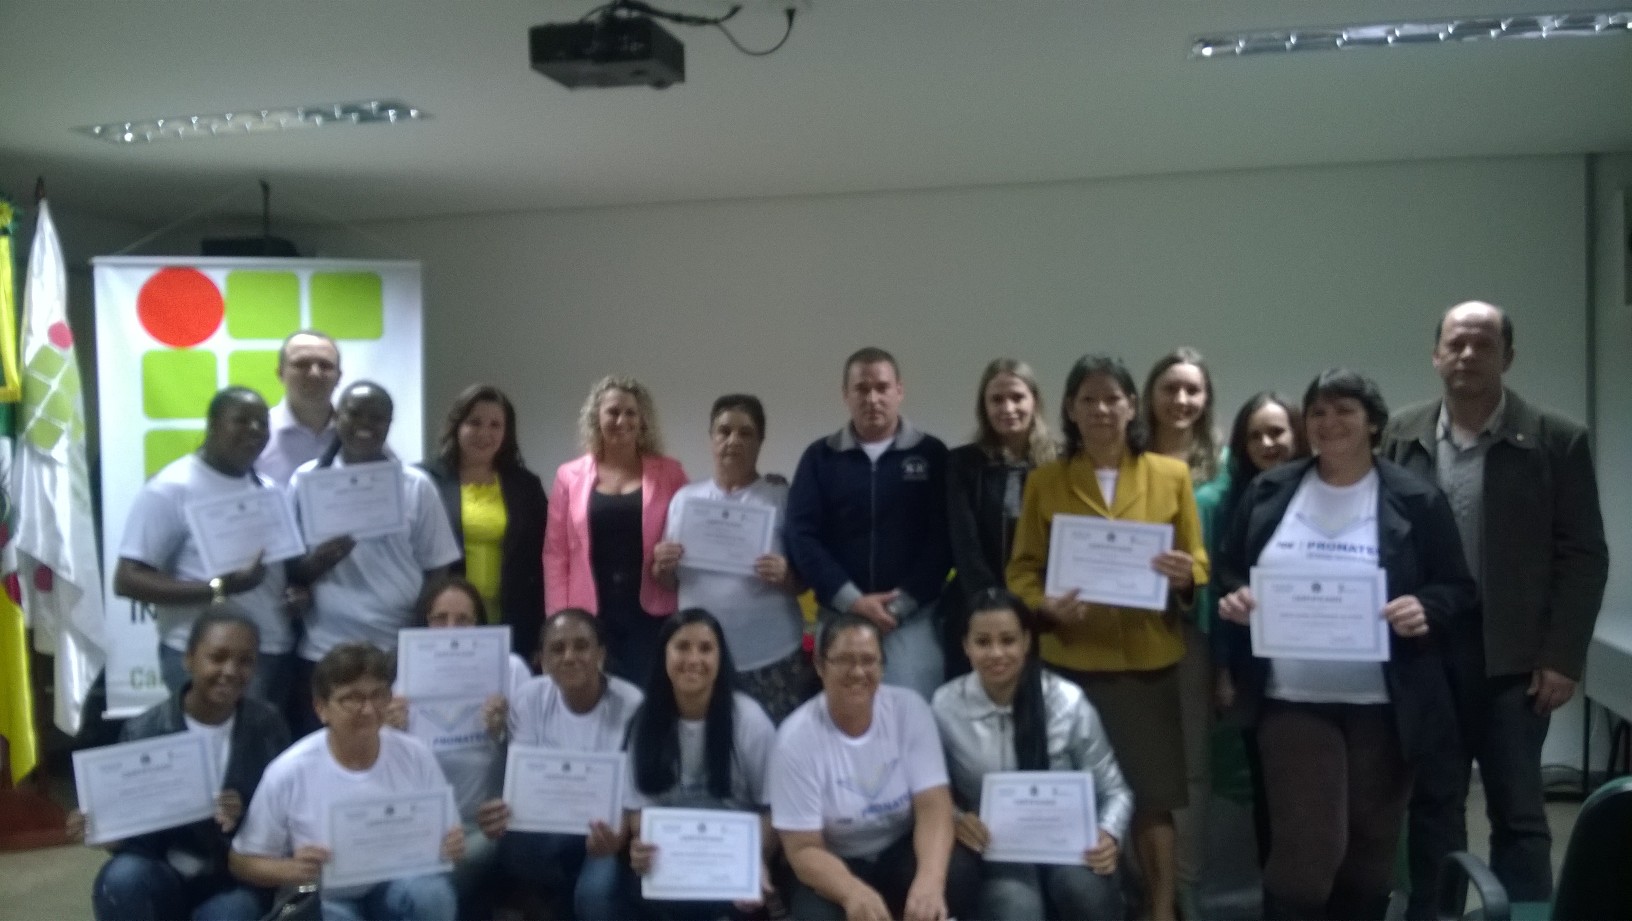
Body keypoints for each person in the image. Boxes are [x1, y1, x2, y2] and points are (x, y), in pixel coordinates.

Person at [1214, 368, 1476, 921]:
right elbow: (1229, 570)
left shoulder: (1416, 498)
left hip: (1387, 703)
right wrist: (1237, 598)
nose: (1329, 422)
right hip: (1292, 697)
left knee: (1370, 853)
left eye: (1344, 411)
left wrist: (1425, 607)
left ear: (1373, 423)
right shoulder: (1271, 490)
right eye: (1318, 412)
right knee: (1310, 851)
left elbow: (1456, 588)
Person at [1381, 301, 1609, 916]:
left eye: (1483, 344)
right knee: (1433, 804)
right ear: (1436, 355)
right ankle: (1437, 913)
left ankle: (1528, 913)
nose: (1467, 355)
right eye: (1455, 344)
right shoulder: (1400, 434)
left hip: (1516, 658)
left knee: (1518, 809)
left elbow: (1584, 555)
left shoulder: (1556, 439)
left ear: (1507, 357)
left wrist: (1562, 657)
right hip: (1427, 654)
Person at [1006, 353, 1208, 921]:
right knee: (1079, 795)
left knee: (1153, 797)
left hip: (1147, 659)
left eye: (1112, 398)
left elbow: (1196, 558)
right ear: (1070, 410)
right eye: (1088, 399)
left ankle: (1161, 908)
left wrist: (1184, 575)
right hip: (1071, 660)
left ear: (1132, 406)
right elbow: (1021, 570)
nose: (1101, 409)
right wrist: (1043, 604)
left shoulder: (1170, 476)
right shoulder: (1046, 481)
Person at [69, 611, 290, 921]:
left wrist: (243, 815)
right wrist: (108, 831)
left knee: (230, 914)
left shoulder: (268, 726)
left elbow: (285, 818)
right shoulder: (145, 729)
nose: (230, 671)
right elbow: (133, 837)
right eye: (217, 657)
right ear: (188, 659)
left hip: (233, 878)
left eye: (245, 661)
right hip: (162, 871)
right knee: (123, 879)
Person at [932, 588, 1132, 921]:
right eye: (983, 642)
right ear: (966, 646)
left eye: (1008, 640)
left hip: (1069, 844)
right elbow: (927, 791)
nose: (996, 653)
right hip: (996, 848)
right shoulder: (945, 705)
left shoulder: (1068, 701)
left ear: (1027, 641)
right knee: (1017, 908)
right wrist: (956, 818)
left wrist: (1108, 833)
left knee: (1082, 892)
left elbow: (1116, 791)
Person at [767, 612, 979, 921]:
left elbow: (934, 806)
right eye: (844, 660)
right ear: (820, 665)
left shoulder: (910, 710)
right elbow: (802, 849)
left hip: (900, 846)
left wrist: (929, 882)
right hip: (834, 857)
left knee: (958, 876)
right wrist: (851, 891)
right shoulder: (794, 739)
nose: (858, 672)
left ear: (882, 666)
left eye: (868, 661)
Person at [229, 643, 463, 921]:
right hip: (323, 894)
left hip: (394, 885)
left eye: (378, 695)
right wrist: (292, 869)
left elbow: (449, 835)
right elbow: (241, 861)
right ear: (321, 708)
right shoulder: (289, 770)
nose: (368, 709)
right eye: (352, 699)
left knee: (432, 895)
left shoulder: (415, 754)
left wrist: (451, 846)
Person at [286, 381, 462, 734]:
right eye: (355, 414)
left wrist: (412, 644)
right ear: (337, 416)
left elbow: (438, 571)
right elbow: (290, 571)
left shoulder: (415, 485)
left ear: (389, 423)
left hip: (393, 649)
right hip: (323, 647)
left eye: (377, 417)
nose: (365, 424)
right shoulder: (307, 480)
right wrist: (319, 563)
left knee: (389, 753)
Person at [787, 347, 952, 701]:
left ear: (899, 390)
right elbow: (803, 537)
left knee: (912, 718)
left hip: (913, 622)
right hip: (839, 617)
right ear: (845, 395)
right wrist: (853, 601)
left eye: (882, 387)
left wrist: (897, 606)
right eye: (861, 389)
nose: (872, 398)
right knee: (844, 718)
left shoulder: (932, 455)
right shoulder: (820, 458)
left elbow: (943, 540)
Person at [113, 386, 295, 702]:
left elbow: (278, 572)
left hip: (271, 650)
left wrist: (296, 592)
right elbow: (127, 580)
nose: (254, 430)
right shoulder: (171, 489)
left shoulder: (268, 490)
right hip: (207, 655)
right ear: (212, 425)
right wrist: (219, 589)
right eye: (241, 420)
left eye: (262, 423)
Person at [652, 394, 810, 722]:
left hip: (771, 654)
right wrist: (661, 566)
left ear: (760, 441)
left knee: (776, 746)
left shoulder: (783, 497)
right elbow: (669, 581)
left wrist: (786, 575)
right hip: (700, 660)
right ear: (711, 438)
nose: (733, 440)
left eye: (745, 433)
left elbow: (804, 581)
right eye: (724, 431)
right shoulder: (685, 499)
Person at [383, 577, 532, 921]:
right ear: (424, 623)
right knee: (422, 887)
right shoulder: (397, 675)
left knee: (431, 886)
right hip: (417, 828)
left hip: (484, 825)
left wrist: (503, 732)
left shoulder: (510, 669)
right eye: (440, 618)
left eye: (463, 619)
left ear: (480, 624)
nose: (451, 629)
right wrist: (388, 735)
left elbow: (535, 762)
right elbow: (370, 771)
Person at [481, 608, 643, 921]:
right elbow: (525, 786)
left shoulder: (632, 703)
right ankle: (555, 899)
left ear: (601, 654)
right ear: (541, 660)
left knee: (594, 896)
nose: (569, 657)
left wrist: (618, 835)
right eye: (557, 649)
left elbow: (635, 791)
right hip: (552, 824)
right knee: (509, 843)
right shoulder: (529, 697)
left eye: (581, 646)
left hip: (607, 830)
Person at [1203, 392, 1305, 868]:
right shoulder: (1237, 500)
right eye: (1255, 436)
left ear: (1297, 434)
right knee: (1268, 789)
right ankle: (1276, 893)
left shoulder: (1329, 488)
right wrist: (1223, 670)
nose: (1267, 444)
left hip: (1326, 669)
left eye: (1277, 432)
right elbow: (1223, 581)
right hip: (1256, 670)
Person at [625, 609, 780, 920]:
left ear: (721, 659)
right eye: (682, 647)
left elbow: (773, 810)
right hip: (671, 860)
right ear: (664, 655)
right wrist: (641, 845)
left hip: (734, 857)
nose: (693, 659)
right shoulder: (644, 722)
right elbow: (637, 808)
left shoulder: (750, 720)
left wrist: (753, 860)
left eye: (706, 648)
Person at [1140, 347, 1222, 917]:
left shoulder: (1223, 465)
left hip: (1195, 628)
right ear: (1150, 396)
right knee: (1134, 765)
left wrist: (1189, 579)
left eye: (1193, 389)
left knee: (1192, 765)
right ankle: (1141, 886)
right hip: (1129, 630)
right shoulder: (1124, 459)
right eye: (1170, 388)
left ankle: (1185, 886)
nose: (1181, 399)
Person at [545, 375, 688, 686]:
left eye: (630, 413)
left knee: (648, 699)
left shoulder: (671, 473)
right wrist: (558, 619)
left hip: (652, 614)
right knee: (594, 698)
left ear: (642, 420)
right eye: (612, 412)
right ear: (596, 417)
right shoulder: (568, 476)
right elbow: (555, 554)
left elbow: (691, 533)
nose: (621, 420)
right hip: (589, 615)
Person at [943, 359, 1057, 678]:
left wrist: (1035, 602)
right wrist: (993, 605)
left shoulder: (1060, 463)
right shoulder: (962, 463)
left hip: (1045, 612)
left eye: (1017, 397)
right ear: (984, 407)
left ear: (1035, 401)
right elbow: (965, 543)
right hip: (975, 608)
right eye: (996, 399)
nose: (1008, 408)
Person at [421, 384, 548, 659]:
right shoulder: (426, 480)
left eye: (495, 425)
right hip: (449, 621)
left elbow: (541, 558)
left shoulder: (525, 485)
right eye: (474, 422)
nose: (484, 433)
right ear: (457, 426)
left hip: (514, 621)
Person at [259, 330, 342, 486]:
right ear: (280, 373)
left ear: (339, 376)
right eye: (302, 364)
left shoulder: (361, 434)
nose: (315, 373)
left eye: (325, 365)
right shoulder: (255, 435)